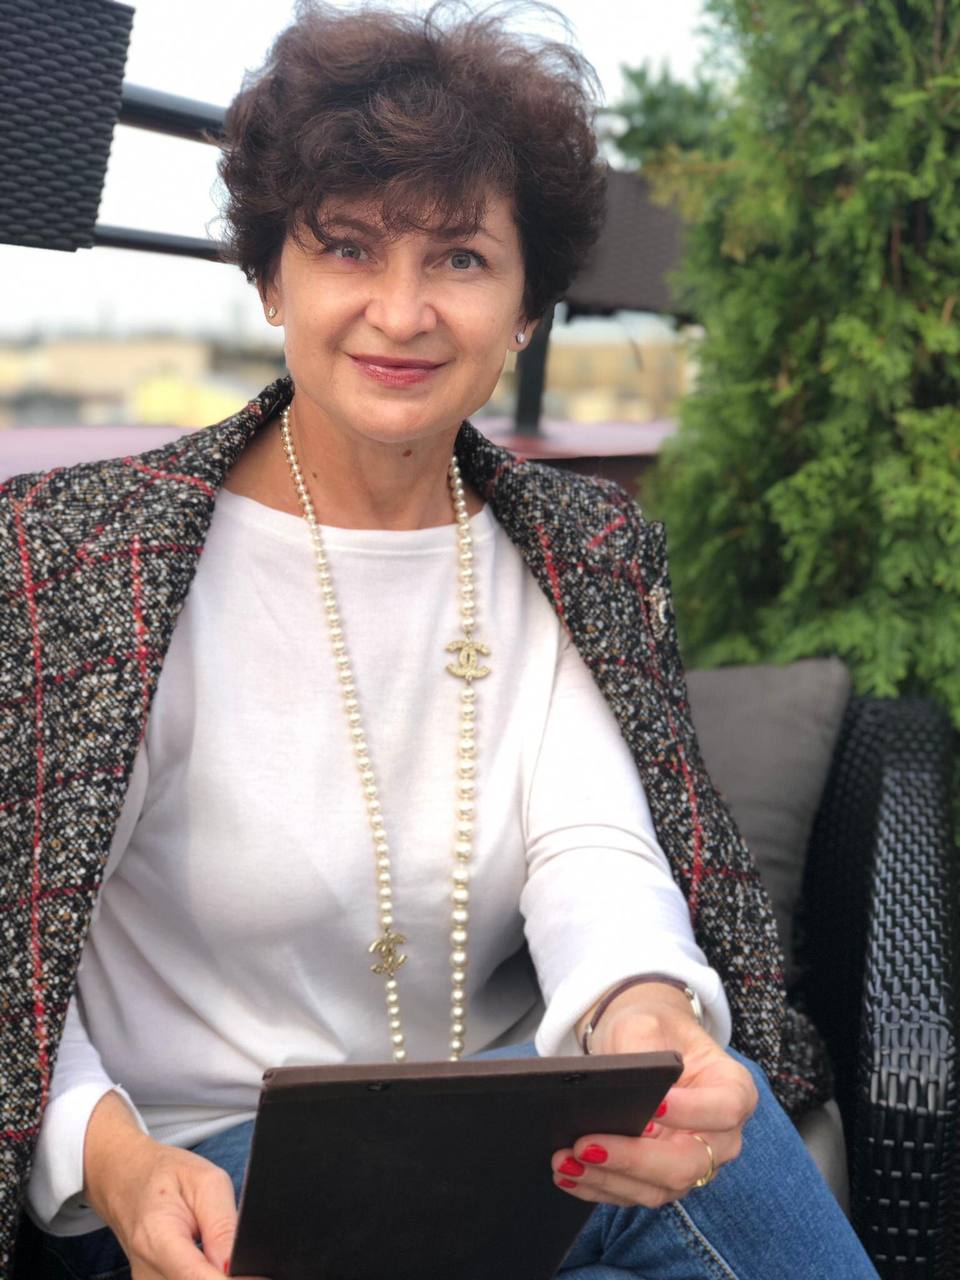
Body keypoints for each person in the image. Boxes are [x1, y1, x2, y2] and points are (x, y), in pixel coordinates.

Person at [0, 3, 878, 1277]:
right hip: (190, 1162)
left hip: (504, 1114)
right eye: (348, 247)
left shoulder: (577, 549)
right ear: (272, 276)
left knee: (710, 1129)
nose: (401, 311)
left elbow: (590, 849)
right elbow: (17, 938)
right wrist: (113, 1154)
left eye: (461, 257)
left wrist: (646, 1017)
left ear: (526, 307)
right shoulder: (80, 557)